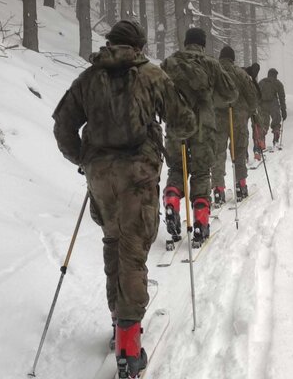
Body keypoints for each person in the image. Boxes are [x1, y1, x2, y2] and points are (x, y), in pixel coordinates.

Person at [52, 20, 196, 378]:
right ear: (140, 46)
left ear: (111, 42)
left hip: (100, 175)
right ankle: (129, 348)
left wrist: (83, 159)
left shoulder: (89, 78)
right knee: (133, 249)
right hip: (137, 172)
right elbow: (185, 122)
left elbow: (62, 126)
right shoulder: (151, 75)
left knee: (113, 243)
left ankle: (118, 323)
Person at [161, 28, 237, 245]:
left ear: (186, 42)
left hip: (176, 126)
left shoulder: (169, 62)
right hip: (204, 127)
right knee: (202, 172)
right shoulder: (211, 64)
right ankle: (201, 222)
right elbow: (231, 92)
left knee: (176, 168)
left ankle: (172, 200)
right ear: (202, 44)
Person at [212, 46, 259, 204]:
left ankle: (218, 191)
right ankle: (241, 186)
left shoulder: (213, 72)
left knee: (218, 153)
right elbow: (252, 97)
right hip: (238, 117)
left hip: (217, 118)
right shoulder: (240, 73)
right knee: (239, 150)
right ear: (233, 59)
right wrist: (250, 112)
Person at [258, 68, 287, 147]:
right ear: (275, 75)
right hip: (273, 104)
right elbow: (282, 97)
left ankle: (262, 141)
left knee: (263, 123)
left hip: (262, 104)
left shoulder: (262, 82)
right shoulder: (277, 83)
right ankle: (276, 137)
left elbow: (256, 94)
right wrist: (283, 110)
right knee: (276, 121)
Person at [244, 62, 265, 162]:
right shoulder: (249, 76)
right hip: (249, 105)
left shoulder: (241, 72)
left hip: (238, 106)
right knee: (257, 124)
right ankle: (257, 150)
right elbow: (257, 93)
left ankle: (244, 154)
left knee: (242, 129)